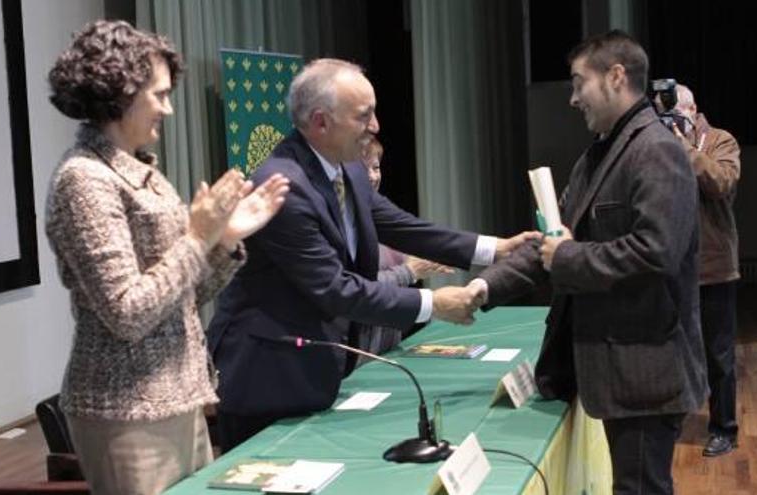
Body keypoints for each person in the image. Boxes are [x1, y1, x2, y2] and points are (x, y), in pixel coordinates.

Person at [207, 58, 537, 452]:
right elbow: (335, 289)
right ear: (320, 122)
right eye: (364, 115)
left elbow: (398, 225)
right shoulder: (286, 186)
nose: (376, 125)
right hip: (267, 376)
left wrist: (493, 248)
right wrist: (434, 303)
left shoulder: (348, 168)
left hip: (314, 371)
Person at [45, 20, 289, 494]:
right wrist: (200, 237)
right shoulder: (84, 180)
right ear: (119, 92)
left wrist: (222, 240)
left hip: (176, 396)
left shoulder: (144, 174)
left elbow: (182, 296)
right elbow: (128, 312)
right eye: (157, 94)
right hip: (126, 409)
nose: (168, 108)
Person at [467, 31, 707, 494]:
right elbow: (548, 246)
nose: (574, 99)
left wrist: (571, 255)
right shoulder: (595, 156)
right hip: (612, 365)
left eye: (579, 83)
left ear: (616, 77)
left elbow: (656, 252)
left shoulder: (656, 149)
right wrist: (483, 289)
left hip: (645, 371)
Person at [668, 84, 741, 457]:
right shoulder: (657, 144)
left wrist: (682, 147)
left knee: (718, 354)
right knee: (677, 350)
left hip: (714, 268)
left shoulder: (720, 141)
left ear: (693, 108)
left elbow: (721, 182)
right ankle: (675, 416)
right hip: (671, 266)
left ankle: (724, 428)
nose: (668, 114)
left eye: (675, 106)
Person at [358, 137, 453, 358]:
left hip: (389, 351)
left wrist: (426, 261)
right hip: (358, 359)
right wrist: (410, 272)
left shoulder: (381, 217)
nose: (372, 177)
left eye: (376, 167)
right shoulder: (341, 225)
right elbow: (356, 288)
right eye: (364, 169)